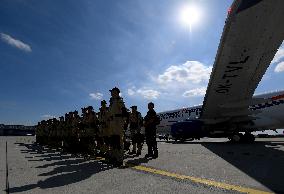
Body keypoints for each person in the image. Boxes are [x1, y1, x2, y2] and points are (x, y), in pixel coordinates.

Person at [108, 87, 127, 166]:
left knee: (119, 140)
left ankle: (119, 159)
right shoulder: (113, 102)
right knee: (113, 140)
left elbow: (124, 111)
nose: (111, 93)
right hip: (112, 122)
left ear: (116, 92)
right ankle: (114, 157)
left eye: (112, 92)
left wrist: (124, 123)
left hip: (118, 121)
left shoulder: (119, 100)